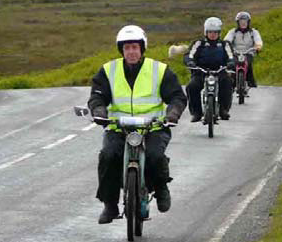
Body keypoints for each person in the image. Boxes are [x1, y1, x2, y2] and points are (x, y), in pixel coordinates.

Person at [88, 25, 187, 224]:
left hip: (153, 127)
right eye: (127, 48)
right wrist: (99, 112)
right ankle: (110, 205)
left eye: (135, 47)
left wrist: (173, 114)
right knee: (107, 156)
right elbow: (97, 96)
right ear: (121, 50)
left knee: (155, 155)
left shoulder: (159, 70)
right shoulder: (108, 70)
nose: (131, 52)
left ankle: (161, 188)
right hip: (118, 127)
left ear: (142, 48)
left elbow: (177, 96)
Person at [184, 17, 235, 122]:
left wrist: (231, 63)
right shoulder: (198, 43)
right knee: (191, 86)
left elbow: (231, 56)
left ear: (219, 33)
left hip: (220, 71)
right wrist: (190, 61)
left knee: (228, 82)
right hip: (201, 71)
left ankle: (223, 110)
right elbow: (189, 55)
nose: (213, 34)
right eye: (210, 32)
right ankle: (196, 112)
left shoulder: (225, 44)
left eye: (215, 32)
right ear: (205, 32)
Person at [224, 11, 263, 88]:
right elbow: (227, 40)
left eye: (245, 21)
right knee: (232, 64)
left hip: (248, 52)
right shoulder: (233, 32)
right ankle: (232, 80)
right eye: (241, 21)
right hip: (235, 53)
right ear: (238, 22)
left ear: (248, 22)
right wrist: (227, 45)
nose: (243, 23)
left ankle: (250, 80)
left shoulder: (253, 32)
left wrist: (258, 46)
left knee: (248, 63)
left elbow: (258, 40)